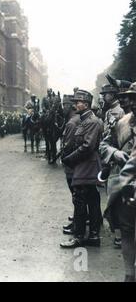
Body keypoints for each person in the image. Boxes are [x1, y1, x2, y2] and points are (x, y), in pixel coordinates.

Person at [60, 90, 104, 248]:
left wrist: (69, 159)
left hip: (87, 165)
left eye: (78, 102)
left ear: (85, 104)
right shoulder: (86, 120)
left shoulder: (91, 121)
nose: (75, 104)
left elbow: (87, 146)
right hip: (87, 164)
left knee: (80, 200)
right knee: (91, 199)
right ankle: (93, 236)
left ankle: (78, 237)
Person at [102, 82, 136, 281]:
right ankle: (129, 275)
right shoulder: (122, 122)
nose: (131, 102)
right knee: (126, 231)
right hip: (125, 189)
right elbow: (104, 144)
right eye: (131, 98)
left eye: (134, 97)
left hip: (127, 184)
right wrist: (114, 153)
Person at [99, 84, 125, 248]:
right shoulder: (108, 111)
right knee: (113, 198)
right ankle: (119, 233)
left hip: (122, 160)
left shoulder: (121, 112)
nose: (103, 97)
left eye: (106, 94)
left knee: (118, 199)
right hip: (112, 158)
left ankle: (121, 234)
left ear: (113, 94)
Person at [61, 93, 81, 235]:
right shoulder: (77, 119)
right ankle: (77, 221)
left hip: (72, 164)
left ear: (70, 106)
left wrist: (64, 158)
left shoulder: (72, 122)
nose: (63, 108)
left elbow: (67, 146)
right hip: (78, 163)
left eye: (64, 105)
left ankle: (77, 226)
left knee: (76, 196)